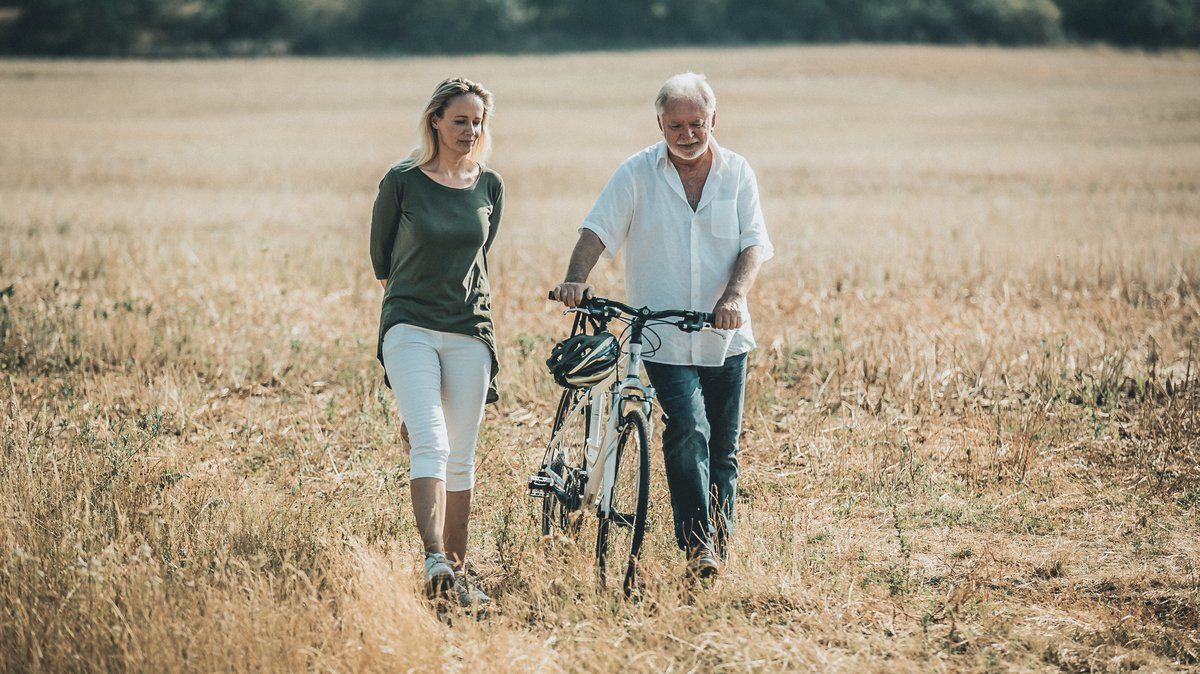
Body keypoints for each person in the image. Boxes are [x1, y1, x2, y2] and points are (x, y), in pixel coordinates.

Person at [552, 72, 772, 579]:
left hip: (726, 335)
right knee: (688, 428)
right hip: (663, 337)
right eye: (676, 125)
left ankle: (720, 544)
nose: (687, 133)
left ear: (713, 120)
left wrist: (734, 295)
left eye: (696, 123)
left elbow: (753, 245)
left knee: (724, 447)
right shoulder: (635, 173)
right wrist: (574, 279)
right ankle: (697, 549)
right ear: (660, 123)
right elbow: (597, 229)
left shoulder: (738, 173)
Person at [370, 77, 502, 607]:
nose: (470, 131)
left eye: (477, 122)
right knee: (433, 441)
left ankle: (459, 575)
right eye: (460, 120)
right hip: (409, 324)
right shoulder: (402, 181)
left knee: (462, 456)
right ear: (435, 122)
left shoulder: (489, 185)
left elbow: (481, 256)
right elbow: (382, 260)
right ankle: (433, 559)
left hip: (470, 330)